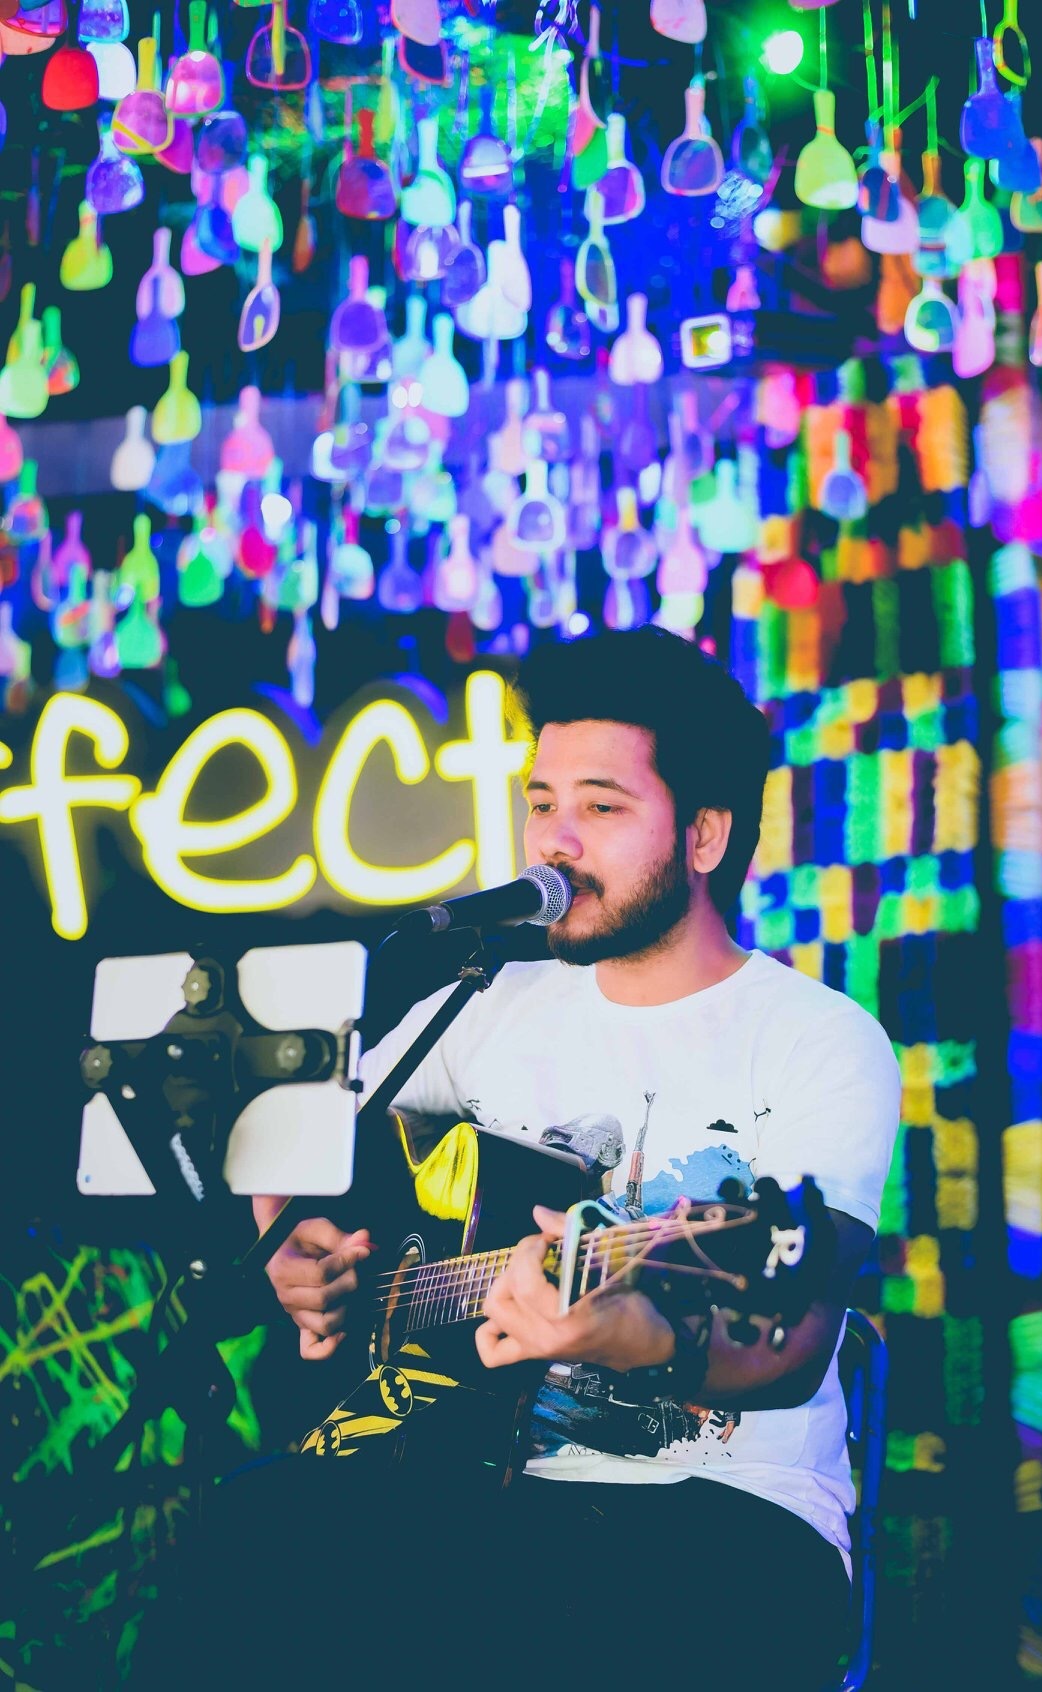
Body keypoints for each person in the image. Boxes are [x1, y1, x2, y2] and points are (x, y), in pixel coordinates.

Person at [236, 626, 902, 1692]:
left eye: (601, 807)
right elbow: (287, 1112)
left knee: (536, 1621)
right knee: (253, 1532)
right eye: (541, 801)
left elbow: (792, 1345)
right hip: (472, 1475)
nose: (553, 841)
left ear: (704, 835)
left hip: (728, 1515)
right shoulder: (489, 1003)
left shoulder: (819, 1039)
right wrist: (287, 1242)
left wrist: (641, 1340)